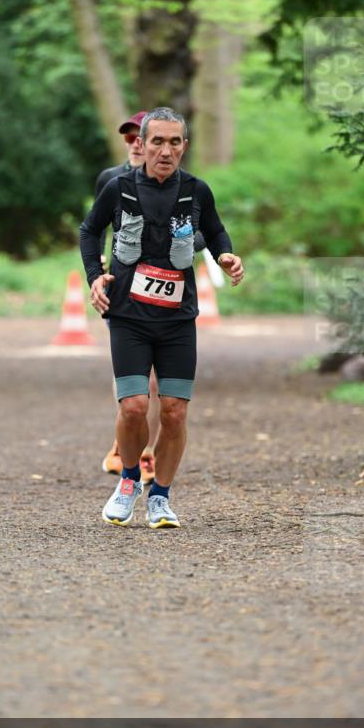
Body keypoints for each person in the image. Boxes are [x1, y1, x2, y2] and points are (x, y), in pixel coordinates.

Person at [80, 106, 244, 528]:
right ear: (142, 144)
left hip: (176, 320)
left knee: (173, 412)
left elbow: (217, 229)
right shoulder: (117, 188)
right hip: (128, 316)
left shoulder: (196, 190)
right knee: (134, 406)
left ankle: (161, 498)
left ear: (184, 146)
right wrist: (96, 277)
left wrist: (225, 255)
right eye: (157, 141)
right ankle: (129, 481)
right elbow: (89, 230)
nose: (166, 150)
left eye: (175, 142)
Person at [95, 111, 159, 484]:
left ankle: (146, 454)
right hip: (121, 289)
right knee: (128, 376)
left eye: (141, 136)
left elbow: (198, 232)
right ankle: (124, 442)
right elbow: (96, 227)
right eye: (129, 137)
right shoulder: (110, 179)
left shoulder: (175, 183)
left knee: (153, 380)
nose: (135, 143)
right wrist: (98, 271)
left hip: (163, 286)